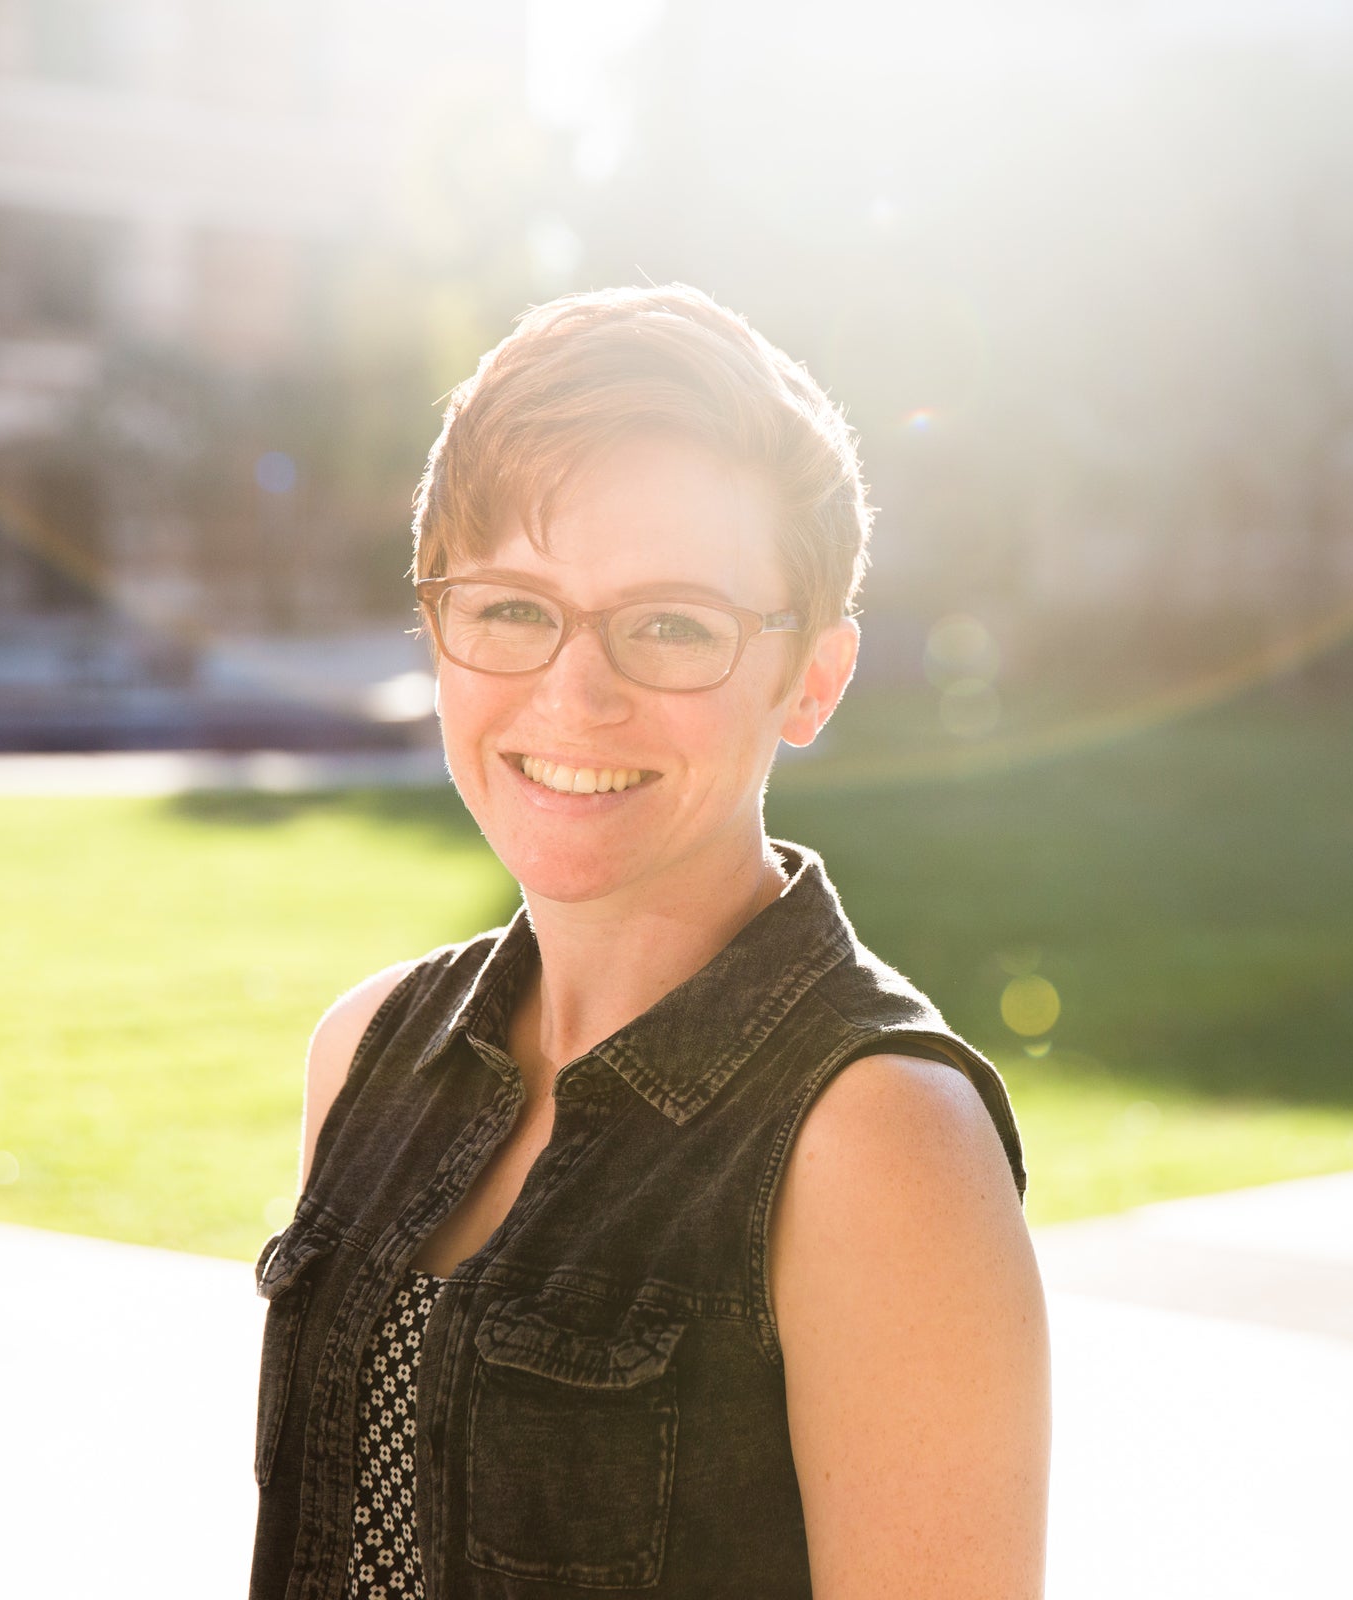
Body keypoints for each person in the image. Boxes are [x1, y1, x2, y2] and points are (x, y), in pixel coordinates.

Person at [249, 285, 1049, 1600]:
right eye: (510, 607)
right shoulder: (365, 1055)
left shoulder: (878, 1142)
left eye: (673, 623)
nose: (577, 691)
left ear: (814, 680)